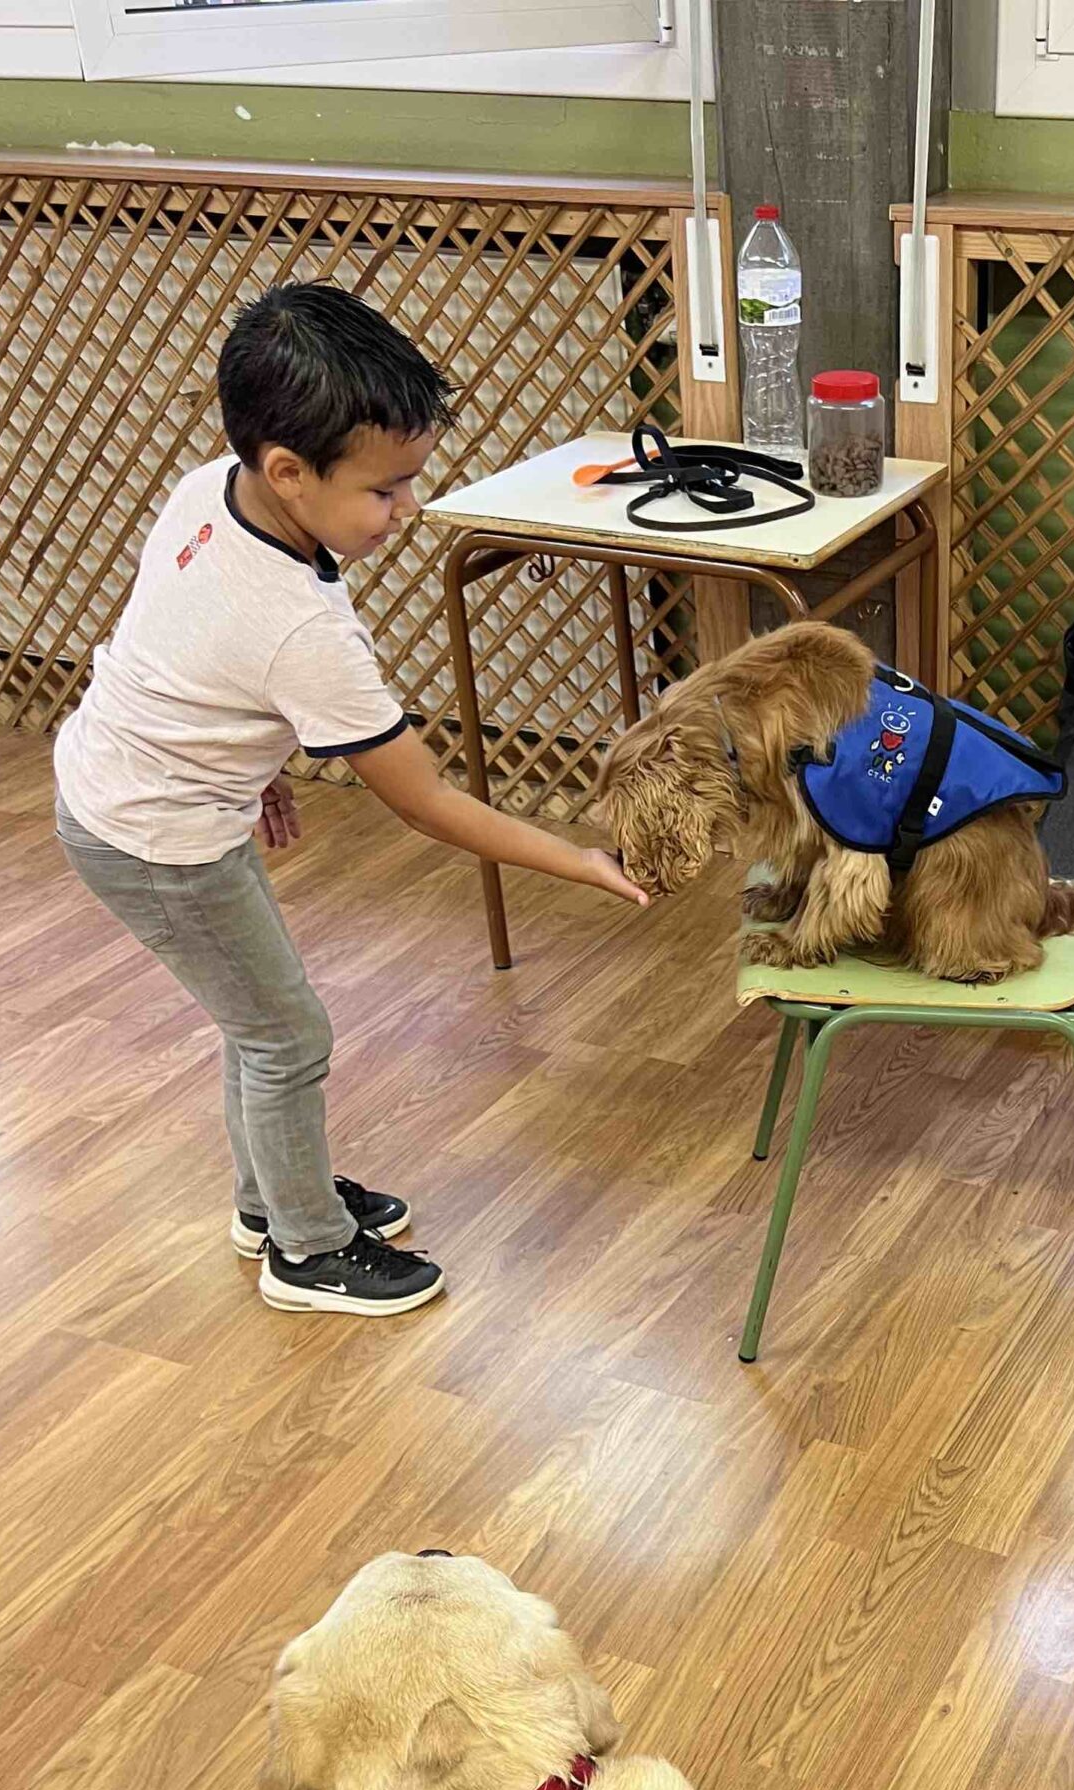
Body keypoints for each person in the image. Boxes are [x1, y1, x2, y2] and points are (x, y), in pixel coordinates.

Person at [53, 282, 646, 1317]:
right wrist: (581, 862)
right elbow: (426, 803)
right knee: (285, 1036)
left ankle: (272, 1202)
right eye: (386, 489)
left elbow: (186, 649)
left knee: (257, 1020)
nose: (406, 510)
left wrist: (258, 762)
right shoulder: (303, 633)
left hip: (135, 790)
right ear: (288, 470)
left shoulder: (212, 488)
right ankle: (308, 1248)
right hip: (154, 836)